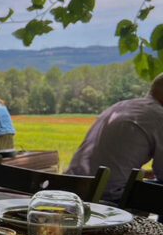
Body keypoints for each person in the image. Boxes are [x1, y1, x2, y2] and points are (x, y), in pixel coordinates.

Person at [66, 73, 163, 202]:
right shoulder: (159, 116)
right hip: (106, 200)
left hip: (71, 189)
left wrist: (142, 173)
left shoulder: (122, 106)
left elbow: (110, 158)